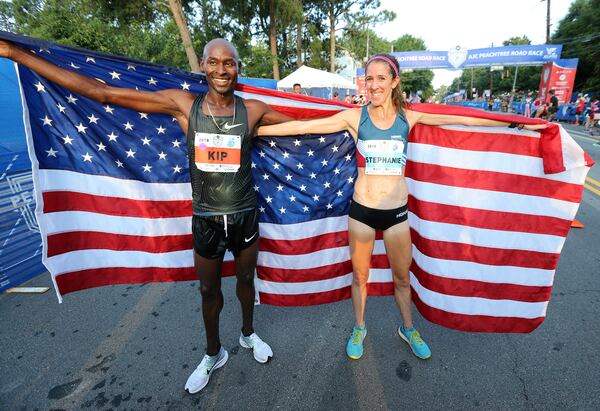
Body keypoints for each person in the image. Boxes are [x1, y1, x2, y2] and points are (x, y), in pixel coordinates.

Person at [0, 38, 294, 393]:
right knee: (208, 290)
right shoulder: (184, 105)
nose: (221, 70)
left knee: (246, 282)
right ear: (202, 65)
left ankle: (248, 334)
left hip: (245, 214)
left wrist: (356, 120)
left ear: (238, 68)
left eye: (228, 63)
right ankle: (213, 353)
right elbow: (103, 93)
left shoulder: (254, 111)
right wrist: (16, 54)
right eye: (214, 62)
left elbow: (302, 127)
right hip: (206, 220)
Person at [257, 53, 546, 361]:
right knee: (359, 277)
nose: (374, 85)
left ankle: (408, 329)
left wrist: (515, 122)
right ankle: (359, 327)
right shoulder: (356, 117)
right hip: (362, 211)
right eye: (370, 78)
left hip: (396, 214)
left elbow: (460, 117)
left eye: (381, 78)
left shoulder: (409, 116)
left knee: (402, 279)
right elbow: (304, 128)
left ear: (394, 82)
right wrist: (255, 132)